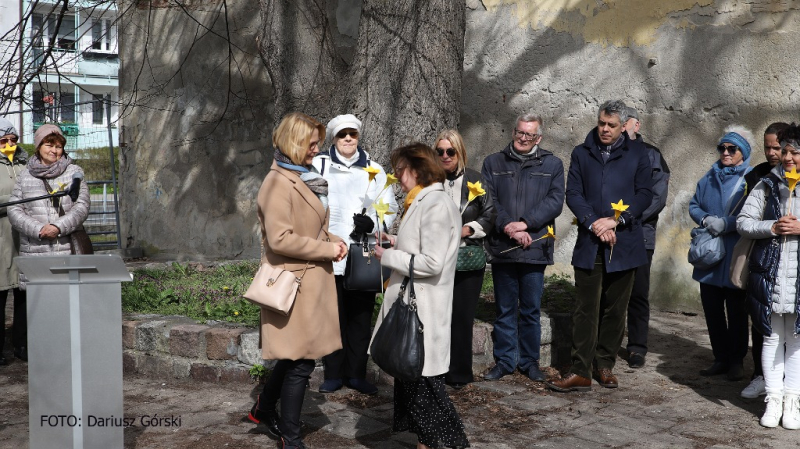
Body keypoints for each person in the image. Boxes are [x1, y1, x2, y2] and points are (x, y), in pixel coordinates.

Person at [246, 112, 348, 449]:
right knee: (301, 362)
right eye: (311, 143)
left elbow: (312, 226)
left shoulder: (304, 176)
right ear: (293, 143)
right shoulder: (277, 183)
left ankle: (262, 409)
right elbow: (280, 240)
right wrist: (325, 249)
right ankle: (291, 439)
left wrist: (335, 239)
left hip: (309, 280)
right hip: (293, 282)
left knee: (294, 356)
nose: (317, 148)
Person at [547, 100, 653, 393]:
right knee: (585, 308)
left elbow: (645, 193)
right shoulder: (582, 153)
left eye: (611, 125)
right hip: (590, 240)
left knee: (616, 310)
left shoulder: (638, 154)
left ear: (623, 126)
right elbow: (574, 193)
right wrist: (594, 222)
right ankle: (580, 370)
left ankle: (604, 364)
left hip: (624, 240)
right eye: (601, 123)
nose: (605, 130)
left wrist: (617, 220)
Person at [372, 143, 468, 449]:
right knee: (418, 392)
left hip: (423, 313)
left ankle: (450, 444)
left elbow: (432, 262)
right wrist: (395, 241)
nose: (398, 177)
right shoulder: (422, 201)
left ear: (418, 169)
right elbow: (423, 244)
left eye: (401, 170)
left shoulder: (435, 204)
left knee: (429, 397)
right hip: (417, 310)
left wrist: (385, 257)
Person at [312, 114, 398, 395]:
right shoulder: (319, 165)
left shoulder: (374, 168)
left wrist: (375, 223)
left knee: (360, 316)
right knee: (332, 315)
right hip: (330, 250)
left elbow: (389, 206)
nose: (348, 139)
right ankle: (334, 373)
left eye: (353, 134)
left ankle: (357, 373)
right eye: (342, 134)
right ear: (334, 138)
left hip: (362, 252)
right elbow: (310, 203)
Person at [481, 113, 565, 382]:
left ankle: (529, 362)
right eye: (520, 133)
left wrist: (525, 224)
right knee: (505, 308)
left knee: (530, 308)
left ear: (538, 137)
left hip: (534, 246)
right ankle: (505, 361)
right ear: (513, 131)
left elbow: (555, 201)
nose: (523, 138)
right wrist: (508, 227)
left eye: (529, 135)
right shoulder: (493, 162)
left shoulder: (552, 164)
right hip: (503, 245)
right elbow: (488, 199)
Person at [736, 123, 800, 429]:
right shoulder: (766, 184)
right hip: (770, 276)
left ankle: (792, 401)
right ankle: (773, 400)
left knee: (797, 340)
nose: (788, 157)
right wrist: (772, 227)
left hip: (798, 280)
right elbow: (744, 222)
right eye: (785, 151)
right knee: (772, 338)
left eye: (794, 152)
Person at [688, 125, 754, 382]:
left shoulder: (750, 179)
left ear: (743, 152)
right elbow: (694, 204)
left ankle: (736, 361)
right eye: (722, 148)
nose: (725, 153)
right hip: (709, 257)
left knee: (737, 312)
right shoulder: (709, 176)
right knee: (712, 309)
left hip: (735, 255)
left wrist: (726, 223)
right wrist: (705, 219)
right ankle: (720, 358)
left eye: (732, 148)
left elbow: (754, 213)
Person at [433, 129, 495, 389]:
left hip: (467, 256)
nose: (445, 156)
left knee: (461, 316)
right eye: (440, 152)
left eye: (450, 151)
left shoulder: (475, 180)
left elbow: (490, 214)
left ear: (460, 153)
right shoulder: (429, 180)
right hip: (435, 257)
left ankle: (459, 372)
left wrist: (466, 229)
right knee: (436, 315)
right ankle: (435, 370)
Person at [740, 122, 789, 399]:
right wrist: (772, 226)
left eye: (777, 147)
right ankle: (761, 375)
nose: (772, 152)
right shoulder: (759, 176)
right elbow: (749, 217)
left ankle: (788, 385)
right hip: (764, 258)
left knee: (792, 329)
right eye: (768, 147)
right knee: (762, 322)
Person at [8, 124, 90, 289]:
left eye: (58, 147)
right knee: (39, 306)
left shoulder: (74, 172)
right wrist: (38, 229)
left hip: (67, 250)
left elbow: (82, 206)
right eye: (49, 145)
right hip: (34, 251)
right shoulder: (25, 175)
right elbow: (14, 209)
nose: (54, 150)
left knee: (69, 303)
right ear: (38, 147)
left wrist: (57, 227)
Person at [621, 107, 671, 369]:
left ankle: (637, 347)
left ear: (636, 125)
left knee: (638, 293)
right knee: (610, 293)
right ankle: (606, 343)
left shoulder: (652, 155)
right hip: (610, 233)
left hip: (640, 234)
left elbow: (657, 197)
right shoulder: (604, 153)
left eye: (623, 122)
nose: (616, 127)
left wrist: (625, 218)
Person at [0, 117, 27, 365]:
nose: (9, 144)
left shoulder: (25, 163)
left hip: (24, 240)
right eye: (3, 140)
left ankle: (22, 345)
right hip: (1, 241)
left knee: (24, 294)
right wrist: (18, 199)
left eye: (13, 140)